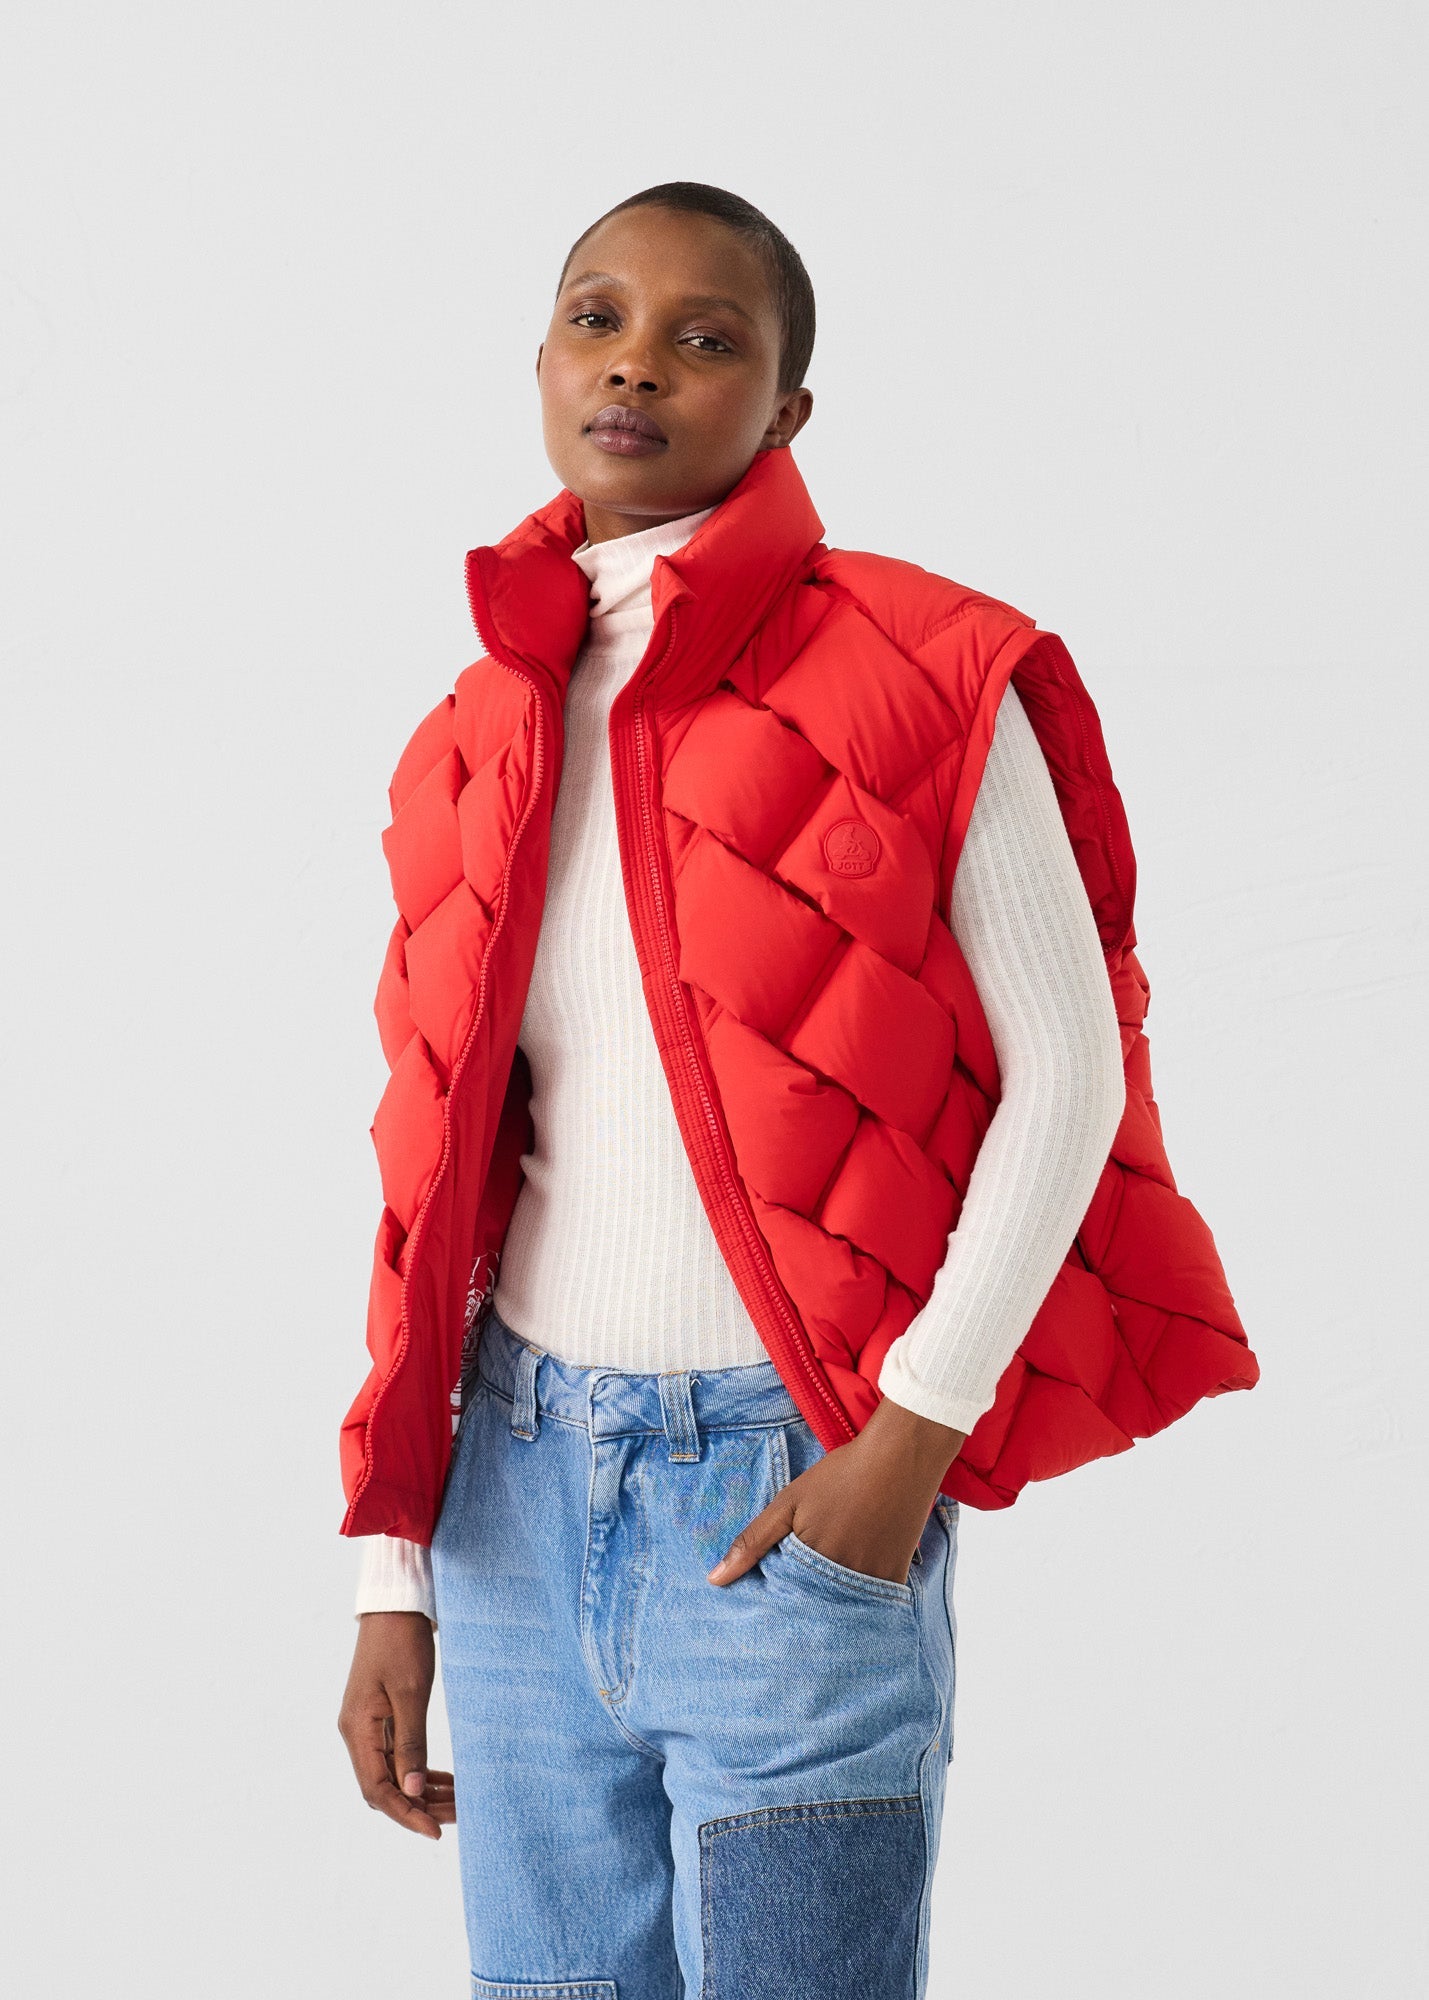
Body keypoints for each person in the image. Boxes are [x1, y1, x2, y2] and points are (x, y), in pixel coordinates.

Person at [336, 182, 1258, 1998]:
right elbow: (432, 1173)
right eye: (597, 319)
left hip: (789, 1491)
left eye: (705, 338)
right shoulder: (471, 732)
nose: (635, 365)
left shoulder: (930, 665)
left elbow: (1070, 1074)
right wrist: (390, 1569)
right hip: (511, 1504)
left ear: (786, 408)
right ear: (541, 362)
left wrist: (904, 1445)